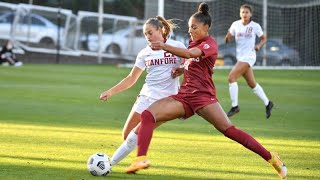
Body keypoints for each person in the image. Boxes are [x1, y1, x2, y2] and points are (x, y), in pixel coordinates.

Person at [125, 2, 287, 179]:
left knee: (229, 130)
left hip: (203, 98)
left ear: (206, 27)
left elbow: (189, 54)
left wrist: (164, 46)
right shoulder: (193, 41)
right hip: (184, 97)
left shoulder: (210, 44)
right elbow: (190, 61)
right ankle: (140, 158)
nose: (190, 30)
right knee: (148, 115)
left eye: (194, 27)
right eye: (189, 27)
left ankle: (272, 158)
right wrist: (182, 70)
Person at [99, 16, 186, 166]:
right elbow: (132, 78)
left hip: (167, 101)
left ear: (160, 30)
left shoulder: (176, 46)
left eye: (150, 32)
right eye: (145, 34)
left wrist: (182, 69)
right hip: (146, 96)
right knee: (127, 135)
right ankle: (137, 160)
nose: (148, 37)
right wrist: (111, 92)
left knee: (139, 132)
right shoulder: (144, 53)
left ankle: (119, 163)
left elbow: (191, 62)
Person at [224, 4, 273, 118]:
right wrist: (227, 38)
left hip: (249, 57)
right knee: (252, 84)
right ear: (240, 13)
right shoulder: (235, 24)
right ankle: (268, 103)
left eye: (246, 12)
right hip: (240, 58)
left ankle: (235, 106)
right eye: (242, 12)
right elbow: (228, 37)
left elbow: (263, 38)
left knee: (231, 78)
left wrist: (259, 46)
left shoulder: (255, 26)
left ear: (250, 14)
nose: (244, 14)